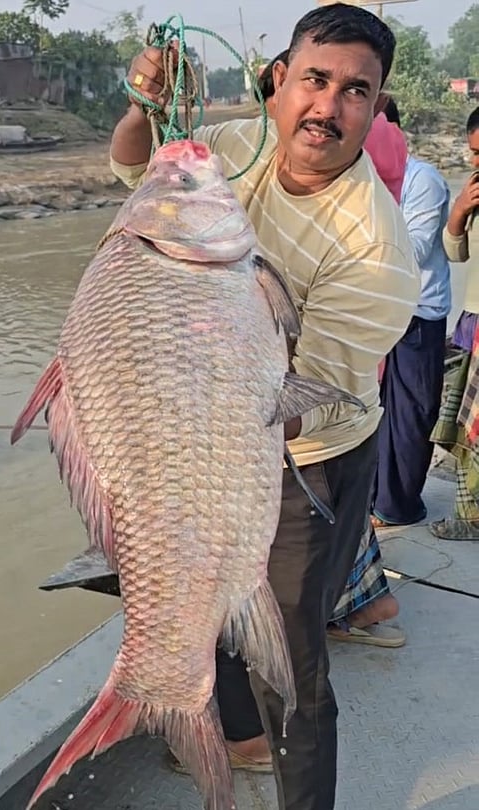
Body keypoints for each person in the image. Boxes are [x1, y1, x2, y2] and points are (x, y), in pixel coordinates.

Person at [116, 5, 417, 808]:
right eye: (315, 79)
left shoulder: (377, 248)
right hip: (201, 427)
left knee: (289, 656)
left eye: (357, 91)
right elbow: (131, 171)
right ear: (280, 83)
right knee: (202, 609)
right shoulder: (230, 149)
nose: (329, 106)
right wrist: (146, 108)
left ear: (377, 104)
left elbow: (305, 399)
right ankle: (237, 741)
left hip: (310, 455)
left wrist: (165, 423)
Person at [327, 98, 451, 648]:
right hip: (366, 315)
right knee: (368, 420)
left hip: (415, 309)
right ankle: (376, 518)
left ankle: (399, 504)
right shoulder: (346, 182)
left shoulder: (417, 180)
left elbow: (416, 248)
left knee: (410, 411)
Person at [430, 105, 479, 539]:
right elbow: (455, 252)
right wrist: (460, 212)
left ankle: (470, 518)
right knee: (468, 428)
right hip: (473, 320)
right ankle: (469, 515)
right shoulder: (474, 192)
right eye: (474, 153)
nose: (477, 162)